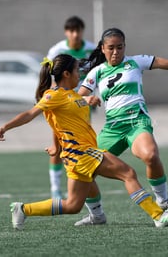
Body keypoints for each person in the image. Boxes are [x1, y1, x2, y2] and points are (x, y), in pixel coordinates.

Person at [0, 54, 168, 230]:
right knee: (128, 173)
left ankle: (22, 209)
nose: (80, 75)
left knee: (73, 205)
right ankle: (158, 215)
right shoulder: (53, 95)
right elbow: (30, 114)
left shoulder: (71, 94)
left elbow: (68, 115)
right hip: (82, 153)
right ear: (67, 73)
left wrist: (87, 101)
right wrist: (5, 127)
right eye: (77, 71)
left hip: (76, 156)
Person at [75, 27, 168, 226]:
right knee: (83, 169)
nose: (116, 52)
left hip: (137, 122)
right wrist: (87, 99)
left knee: (150, 155)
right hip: (112, 129)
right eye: (111, 48)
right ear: (102, 49)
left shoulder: (136, 61)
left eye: (120, 47)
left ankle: (163, 201)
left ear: (125, 46)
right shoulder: (97, 72)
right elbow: (77, 97)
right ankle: (96, 215)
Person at [46, 16, 96, 199]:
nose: (75, 34)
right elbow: (50, 78)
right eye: (71, 30)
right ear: (66, 32)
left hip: (82, 104)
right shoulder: (57, 50)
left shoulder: (91, 49)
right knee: (59, 144)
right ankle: (55, 188)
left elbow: (97, 74)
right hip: (61, 105)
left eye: (78, 30)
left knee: (80, 144)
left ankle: (75, 184)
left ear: (82, 31)